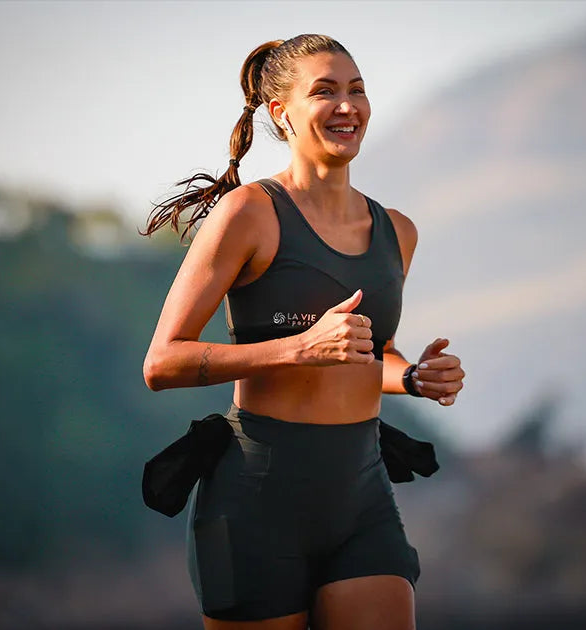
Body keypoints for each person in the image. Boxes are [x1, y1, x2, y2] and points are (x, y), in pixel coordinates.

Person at [141, 34, 465, 630]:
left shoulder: (398, 231)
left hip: (362, 498)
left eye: (357, 90)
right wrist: (299, 347)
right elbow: (162, 363)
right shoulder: (248, 213)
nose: (348, 106)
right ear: (281, 113)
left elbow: (371, 352)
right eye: (325, 91)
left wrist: (415, 377)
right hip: (254, 500)